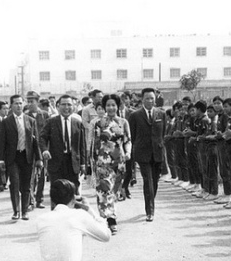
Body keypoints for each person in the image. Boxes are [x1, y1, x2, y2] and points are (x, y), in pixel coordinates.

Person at [0, 95, 43, 221]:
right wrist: (1, 159)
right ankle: (16, 211)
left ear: (24, 105)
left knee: (27, 184)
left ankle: (24, 211)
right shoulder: (6, 122)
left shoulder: (30, 120)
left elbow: (35, 141)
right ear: (11, 105)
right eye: (16, 103)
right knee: (15, 183)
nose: (18, 106)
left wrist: (39, 158)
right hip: (13, 157)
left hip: (27, 156)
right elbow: (1, 142)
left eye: (20, 103)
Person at [92, 94, 131, 234]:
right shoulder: (99, 123)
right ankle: (108, 219)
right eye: (108, 105)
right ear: (104, 107)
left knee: (114, 191)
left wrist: (128, 152)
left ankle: (110, 214)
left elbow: (127, 140)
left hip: (119, 161)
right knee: (103, 190)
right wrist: (93, 161)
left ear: (118, 106)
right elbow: (95, 143)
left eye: (113, 105)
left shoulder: (123, 122)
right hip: (103, 161)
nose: (111, 108)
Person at [129, 88, 167, 222]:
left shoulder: (161, 114)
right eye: (147, 98)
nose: (150, 101)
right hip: (142, 153)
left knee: (155, 181)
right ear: (142, 100)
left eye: (152, 98)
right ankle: (149, 211)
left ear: (155, 99)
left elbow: (163, 134)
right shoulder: (135, 115)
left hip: (157, 152)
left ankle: (150, 200)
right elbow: (133, 136)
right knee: (148, 180)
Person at [39, 94, 86, 192]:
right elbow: (42, 138)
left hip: (73, 163)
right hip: (56, 163)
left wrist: (83, 163)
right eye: (63, 105)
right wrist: (45, 150)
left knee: (72, 192)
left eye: (69, 105)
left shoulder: (78, 123)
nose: (66, 107)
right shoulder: (51, 122)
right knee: (58, 192)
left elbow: (82, 145)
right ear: (58, 106)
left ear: (73, 107)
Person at [25, 91, 50, 209]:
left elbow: (49, 133)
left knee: (41, 176)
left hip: (43, 149)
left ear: (37, 102)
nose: (30, 104)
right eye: (28, 101)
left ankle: (39, 199)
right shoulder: (25, 115)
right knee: (30, 176)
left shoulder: (45, 115)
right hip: (30, 149)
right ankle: (31, 200)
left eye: (32, 101)